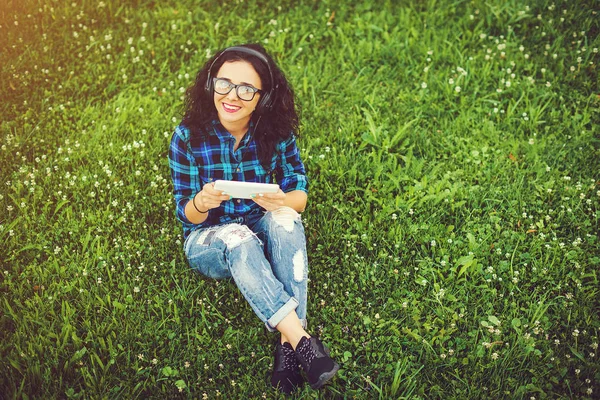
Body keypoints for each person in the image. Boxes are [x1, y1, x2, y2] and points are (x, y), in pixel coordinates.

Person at [168, 43, 339, 394]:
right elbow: (185, 212)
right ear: (210, 84)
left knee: (286, 218)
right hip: (208, 240)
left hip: (259, 221)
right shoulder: (187, 137)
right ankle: (302, 341)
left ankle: (290, 348)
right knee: (237, 237)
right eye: (224, 83)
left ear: (263, 97)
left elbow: (299, 197)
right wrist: (201, 200)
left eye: (246, 88)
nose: (232, 96)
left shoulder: (277, 135)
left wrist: (278, 199)